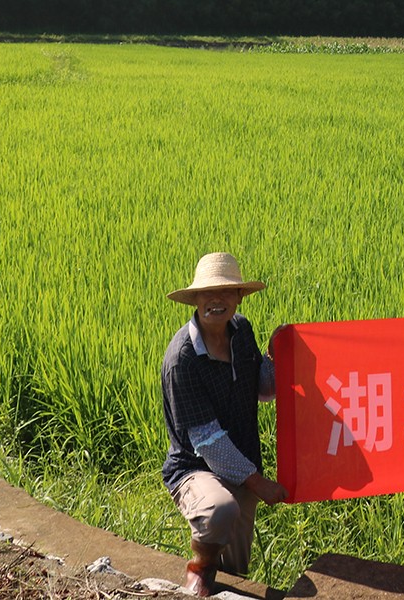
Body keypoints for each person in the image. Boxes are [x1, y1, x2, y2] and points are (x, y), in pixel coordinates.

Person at [161, 252, 288, 595]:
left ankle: (226, 586)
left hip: (242, 458)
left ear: (239, 297)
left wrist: (278, 355)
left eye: (226, 293)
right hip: (194, 466)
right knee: (219, 510)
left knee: (236, 561)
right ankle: (199, 568)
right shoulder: (182, 359)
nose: (216, 301)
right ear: (196, 299)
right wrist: (258, 482)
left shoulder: (241, 330)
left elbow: (261, 389)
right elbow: (206, 440)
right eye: (207, 294)